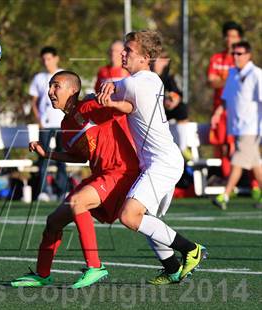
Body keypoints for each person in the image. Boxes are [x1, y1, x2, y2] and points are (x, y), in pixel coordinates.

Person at [11, 71, 139, 288]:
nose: (50, 91)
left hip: (121, 172)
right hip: (101, 175)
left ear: (73, 90)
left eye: (56, 86)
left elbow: (128, 107)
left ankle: (95, 267)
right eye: (50, 87)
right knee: (53, 221)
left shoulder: (90, 107)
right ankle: (42, 275)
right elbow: (80, 157)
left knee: (78, 202)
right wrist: (47, 154)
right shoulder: (66, 124)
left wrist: (107, 98)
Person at [98, 30, 207, 285]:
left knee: (130, 216)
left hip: (163, 163)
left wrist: (106, 90)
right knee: (144, 219)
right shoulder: (152, 80)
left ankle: (191, 249)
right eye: (123, 48)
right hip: (161, 160)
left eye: (129, 51)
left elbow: (120, 90)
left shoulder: (136, 82)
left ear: (146, 57)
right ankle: (171, 268)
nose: (123, 54)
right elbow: (129, 105)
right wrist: (113, 99)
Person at [211, 41, 262, 210]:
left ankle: (225, 195)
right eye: (234, 54)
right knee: (255, 163)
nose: (236, 57)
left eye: (240, 54)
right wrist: (218, 113)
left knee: (238, 161)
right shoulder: (232, 73)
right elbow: (226, 98)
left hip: (251, 127)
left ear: (248, 55)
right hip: (237, 126)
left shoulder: (256, 74)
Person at [29, 46, 67, 201]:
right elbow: (33, 102)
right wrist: (39, 121)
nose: (46, 62)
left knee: (62, 158)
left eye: (49, 58)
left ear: (56, 58)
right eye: (44, 59)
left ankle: (62, 190)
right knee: (43, 157)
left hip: (62, 124)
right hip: (45, 125)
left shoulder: (65, 75)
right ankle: (43, 191)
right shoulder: (39, 78)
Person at [207, 21, 243, 182]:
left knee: (239, 146)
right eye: (228, 36)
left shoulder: (242, 60)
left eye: (234, 36)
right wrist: (230, 79)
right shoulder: (216, 58)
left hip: (238, 110)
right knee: (222, 146)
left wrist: (223, 79)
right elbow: (211, 81)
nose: (230, 40)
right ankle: (227, 179)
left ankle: (246, 182)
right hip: (220, 111)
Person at [153, 51, 190, 159]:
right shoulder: (148, 76)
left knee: (181, 108)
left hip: (165, 111)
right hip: (152, 112)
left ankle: (183, 147)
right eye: (156, 59)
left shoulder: (170, 78)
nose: (157, 62)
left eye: (161, 60)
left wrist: (171, 100)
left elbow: (176, 95)